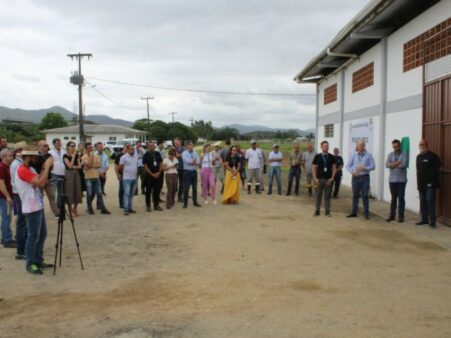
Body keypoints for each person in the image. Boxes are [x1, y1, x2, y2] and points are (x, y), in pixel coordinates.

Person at [16, 146, 54, 275]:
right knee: (33, 236)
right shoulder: (22, 170)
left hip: (37, 205)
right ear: (27, 158)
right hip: (31, 208)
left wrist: (45, 169)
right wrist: (46, 167)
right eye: (34, 157)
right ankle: (30, 263)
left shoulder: (29, 168)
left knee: (42, 234)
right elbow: (41, 182)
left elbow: (41, 179)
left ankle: (37, 260)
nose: (36, 160)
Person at [346, 139, 376, 220]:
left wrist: (364, 168)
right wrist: (352, 172)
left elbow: (373, 166)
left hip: (365, 177)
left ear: (364, 146)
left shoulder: (369, 155)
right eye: (358, 146)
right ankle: (354, 212)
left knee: (365, 195)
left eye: (360, 146)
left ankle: (366, 213)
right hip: (355, 177)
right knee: (355, 195)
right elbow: (347, 166)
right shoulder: (353, 155)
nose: (358, 147)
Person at [415, 140, 441, 228]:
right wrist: (418, 184)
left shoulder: (433, 156)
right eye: (420, 145)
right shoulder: (418, 157)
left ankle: (432, 221)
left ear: (427, 145)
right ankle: (424, 219)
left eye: (423, 144)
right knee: (422, 202)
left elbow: (439, 166)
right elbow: (418, 170)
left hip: (430, 184)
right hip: (421, 184)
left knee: (430, 201)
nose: (421, 146)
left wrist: (432, 179)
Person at [82, 142, 111, 215]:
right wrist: (91, 162)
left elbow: (98, 165)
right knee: (89, 193)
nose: (90, 149)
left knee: (99, 193)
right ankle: (90, 208)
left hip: (96, 176)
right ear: (86, 149)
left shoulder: (96, 156)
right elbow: (88, 165)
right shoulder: (84, 156)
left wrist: (90, 165)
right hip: (88, 177)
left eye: (91, 147)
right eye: (89, 148)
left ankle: (103, 208)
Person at [11, 144, 27, 259]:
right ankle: (21, 250)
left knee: (23, 221)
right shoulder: (17, 164)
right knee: (22, 221)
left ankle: (22, 248)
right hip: (19, 194)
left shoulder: (18, 163)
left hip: (20, 194)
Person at [385, 139, 408, 223]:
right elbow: (387, 165)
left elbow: (403, 165)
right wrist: (396, 163)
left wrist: (392, 165)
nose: (395, 148)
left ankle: (401, 216)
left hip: (401, 180)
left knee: (401, 198)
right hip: (392, 180)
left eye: (397, 146)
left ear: (400, 146)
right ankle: (392, 215)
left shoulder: (404, 154)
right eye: (394, 147)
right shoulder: (390, 155)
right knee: (393, 198)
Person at [312, 141, 337, 216]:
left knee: (327, 196)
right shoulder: (317, 156)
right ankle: (317, 211)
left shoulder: (332, 157)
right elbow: (313, 168)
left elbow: (334, 168)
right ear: (321, 147)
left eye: (327, 146)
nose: (326, 147)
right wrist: (315, 178)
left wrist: (332, 178)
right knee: (318, 196)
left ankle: (327, 212)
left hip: (328, 180)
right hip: (319, 179)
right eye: (324, 146)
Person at [35, 140, 58, 217]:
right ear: (39, 146)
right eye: (44, 145)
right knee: (40, 197)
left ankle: (55, 211)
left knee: (52, 196)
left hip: (48, 179)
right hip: (39, 179)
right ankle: (40, 212)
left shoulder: (49, 155)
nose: (46, 147)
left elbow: (51, 167)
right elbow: (35, 169)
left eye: (47, 145)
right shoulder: (35, 156)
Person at [63, 141, 83, 217]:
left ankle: (75, 209)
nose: (73, 147)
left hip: (76, 174)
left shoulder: (77, 155)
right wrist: (73, 157)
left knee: (77, 191)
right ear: (67, 147)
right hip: (69, 175)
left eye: (74, 146)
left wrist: (77, 158)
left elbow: (80, 166)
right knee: (70, 192)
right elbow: (69, 166)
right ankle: (70, 210)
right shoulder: (65, 156)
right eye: (71, 146)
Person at [0, 149, 15, 248]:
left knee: (7, 217)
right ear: (4, 157)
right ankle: (7, 240)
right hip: (4, 197)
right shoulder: (1, 167)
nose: (12, 157)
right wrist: (8, 196)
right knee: (6, 217)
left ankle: (5, 237)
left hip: (6, 196)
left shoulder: (7, 167)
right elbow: (1, 183)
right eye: (10, 156)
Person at [143, 142, 164, 212]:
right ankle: (148, 206)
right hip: (149, 176)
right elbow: (145, 166)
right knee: (148, 191)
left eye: (153, 146)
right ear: (148, 147)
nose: (152, 147)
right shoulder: (146, 155)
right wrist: (152, 174)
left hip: (157, 175)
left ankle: (156, 205)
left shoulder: (157, 154)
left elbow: (161, 163)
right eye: (151, 146)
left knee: (157, 190)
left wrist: (159, 172)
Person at [118, 144, 138, 215]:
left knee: (131, 194)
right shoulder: (124, 157)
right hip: (127, 178)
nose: (132, 150)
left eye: (133, 149)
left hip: (134, 178)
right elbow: (120, 167)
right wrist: (125, 172)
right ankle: (126, 209)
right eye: (131, 149)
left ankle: (130, 208)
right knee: (126, 194)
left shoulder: (135, 157)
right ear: (127, 149)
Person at [182, 140, 201, 208]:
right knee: (186, 188)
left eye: (192, 144)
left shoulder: (195, 152)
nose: (191, 146)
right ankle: (185, 203)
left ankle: (195, 202)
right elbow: (187, 161)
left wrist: (193, 161)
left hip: (194, 172)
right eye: (190, 144)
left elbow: (198, 161)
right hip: (187, 172)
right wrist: (193, 161)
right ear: (187, 146)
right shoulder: (184, 153)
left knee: (195, 188)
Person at [49, 138, 65, 208]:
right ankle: (54, 207)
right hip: (54, 174)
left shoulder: (64, 151)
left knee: (61, 192)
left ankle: (59, 206)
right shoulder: (50, 152)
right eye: (57, 143)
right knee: (53, 192)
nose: (59, 144)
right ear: (54, 144)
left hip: (62, 174)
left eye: (60, 143)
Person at [114, 144, 128, 209]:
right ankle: (121, 203)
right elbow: (116, 165)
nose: (127, 149)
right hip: (122, 175)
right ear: (124, 147)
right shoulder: (119, 155)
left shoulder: (130, 155)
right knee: (122, 189)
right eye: (126, 147)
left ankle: (126, 202)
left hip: (129, 175)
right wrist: (117, 174)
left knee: (128, 190)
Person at [174, 138, 185, 202]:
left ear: (180, 142)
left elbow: (184, 155)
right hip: (175, 169)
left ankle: (179, 197)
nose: (176, 143)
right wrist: (179, 155)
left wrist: (178, 155)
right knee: (174, 183)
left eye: (177, 142)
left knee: (182, 183)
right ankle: (173, 196)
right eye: (175, 142)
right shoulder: (173, 149)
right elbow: (171, 156)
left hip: (182, 168)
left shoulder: (184, 148)